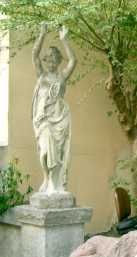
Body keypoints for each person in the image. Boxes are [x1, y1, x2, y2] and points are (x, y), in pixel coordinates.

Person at [32, 23, 77, 193]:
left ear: (58, 62)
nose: (50, 62)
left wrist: (65, 40)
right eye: (48, 59)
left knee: (58, 152)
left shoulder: (62, 77)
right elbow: (34, 55)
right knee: (45, 149)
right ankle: (46, 178)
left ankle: (53, 182)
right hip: (44, 119)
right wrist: (42, 34)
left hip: (60, 118)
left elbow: (73, 61)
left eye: (54, 60)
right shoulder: (41, 75)